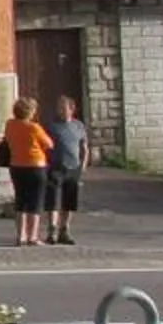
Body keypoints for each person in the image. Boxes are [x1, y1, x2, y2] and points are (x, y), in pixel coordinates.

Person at [0, 97, 54, 247]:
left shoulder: (10, 125)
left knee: (21, 201)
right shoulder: (34, 128)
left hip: (16, 165)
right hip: (36, 166)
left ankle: (20, 235)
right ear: (30, 112)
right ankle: (33, 236)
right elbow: (49, 144)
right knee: (35, 202)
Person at [43, 96, 91, 245]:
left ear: (72, 109)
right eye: (59, 108)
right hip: (55, 167)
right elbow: (45, 146)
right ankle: (52, 231)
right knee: (52, 201)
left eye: (64, 108)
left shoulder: (78, 126)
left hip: (73, 168)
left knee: (69, 202)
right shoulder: (52, 127)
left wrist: (82, 166)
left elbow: (84, 148)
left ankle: (65, 230)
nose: (61, 111)